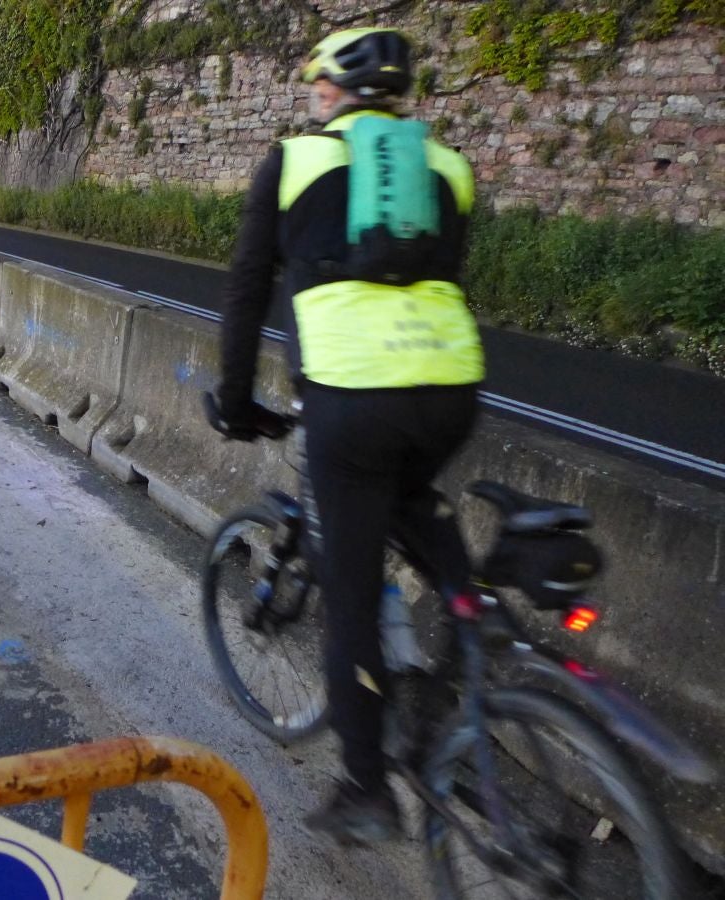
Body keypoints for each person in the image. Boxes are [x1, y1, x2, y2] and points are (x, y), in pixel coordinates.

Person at [209, 28, 485, 844]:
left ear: (332, 90)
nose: (314, 98)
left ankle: (365, 789)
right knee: (411, 497)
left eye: (317, 86)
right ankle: (470, 630)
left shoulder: (293, 160)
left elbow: (247, 290)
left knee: (351, 593)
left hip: (351, 401)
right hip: (450, 391)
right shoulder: (449, 168)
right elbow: (440, 280)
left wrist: (235, 400)